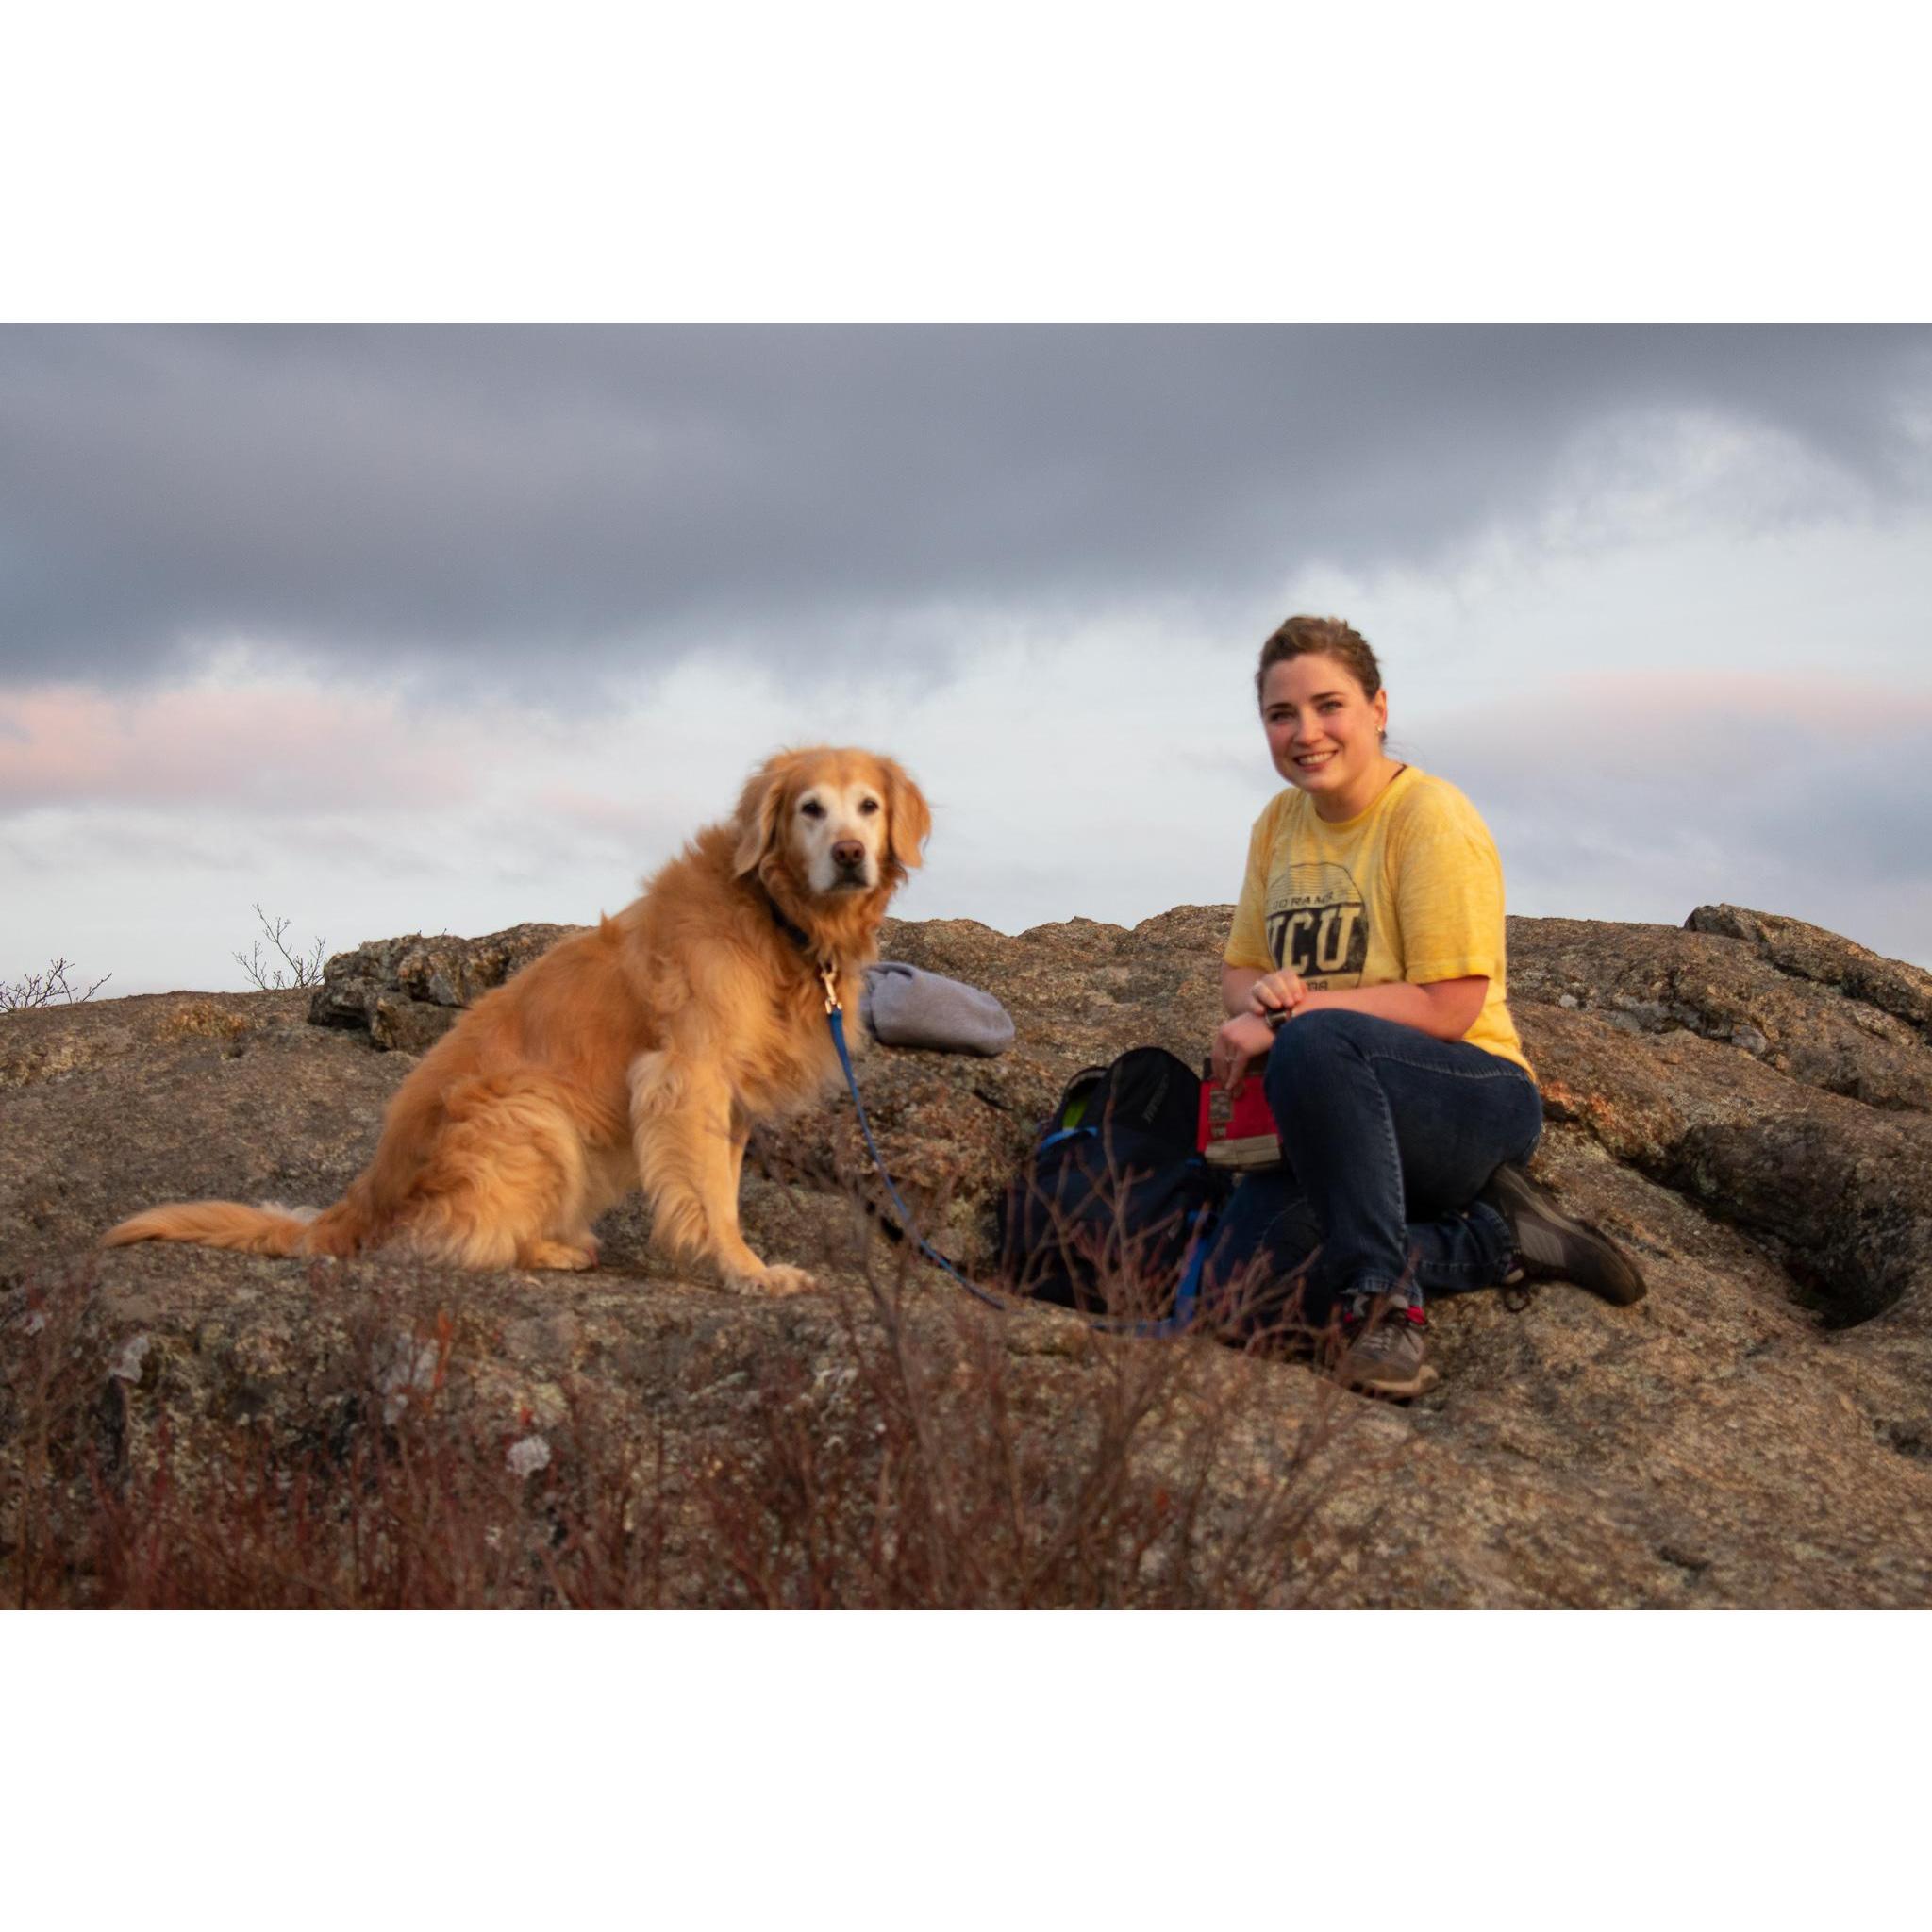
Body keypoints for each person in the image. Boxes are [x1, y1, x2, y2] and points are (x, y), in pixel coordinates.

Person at [1207, 614, 1645, 1397]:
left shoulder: (1430, 817)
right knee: (1244, 1291)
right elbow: (1242, 971)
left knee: (1314, 1044)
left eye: (1328, 705)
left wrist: (1293, 1020)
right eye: (1282, 715)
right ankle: (1498, 1237)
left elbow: (1450, 1006)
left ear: (1377, 708)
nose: (1306, 732)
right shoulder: (1277, 825)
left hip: (1466, 1098)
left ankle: (1383, 1306)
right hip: (1334, 1109)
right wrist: (1263, 997)